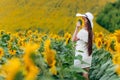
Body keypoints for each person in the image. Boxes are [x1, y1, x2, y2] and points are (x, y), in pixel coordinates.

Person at [72, 12, 94, 80]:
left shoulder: (83, 32)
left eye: (84, 19)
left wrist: (77, 27)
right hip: (87, 56)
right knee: (85, 75)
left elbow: (73, 39)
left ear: (86, 21)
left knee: (78, 76)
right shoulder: (90, 33)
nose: (83, 20)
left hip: (81, 56)